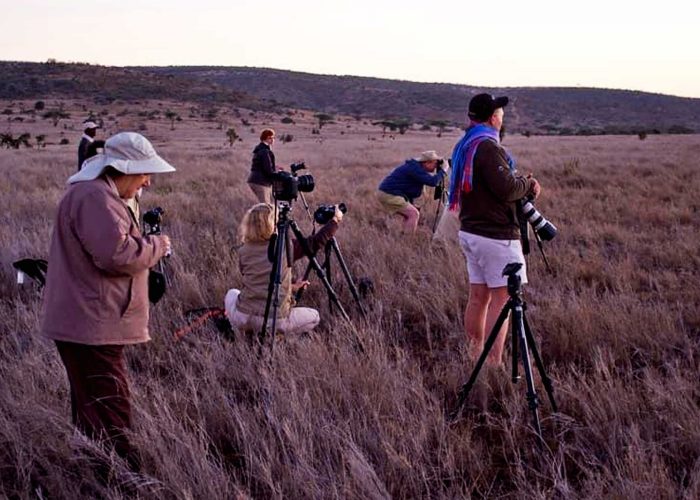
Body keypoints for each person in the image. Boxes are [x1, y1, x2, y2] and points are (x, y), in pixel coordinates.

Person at [42, 132, 175, 469]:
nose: (148, 181)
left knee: (92, 405)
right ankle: (120, 476)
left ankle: (91, 469)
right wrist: (157, 245)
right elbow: (117, 255)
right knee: (111, 407)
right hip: (91, 323)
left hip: (87, 319)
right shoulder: (94, 197)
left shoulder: (96, 193)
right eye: (145, 173)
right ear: (123, 169)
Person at [448, 93, 541, 366]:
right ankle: (493, 364)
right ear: (492, 118)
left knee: (478, 298)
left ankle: (474, 355)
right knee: (502, 301)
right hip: (495, 236)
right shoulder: (487, 147)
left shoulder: (466, 144)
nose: (503, 117)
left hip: (472, 231)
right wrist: (528, 184)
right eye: (501, 113)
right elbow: (507, 188)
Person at [224, 202, 343, 334]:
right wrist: (334, 221)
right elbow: (314, 243)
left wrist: (292, 287)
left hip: (242, 316)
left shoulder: (243, 250)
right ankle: (276, 334)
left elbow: (260, 281)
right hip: (274, 320)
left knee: (231, 293)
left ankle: (240, 329)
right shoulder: (286, 247)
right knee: (315, 317)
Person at [377, 150, 447, 232]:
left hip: (390, 193)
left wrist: (411, 204)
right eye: (435, 164)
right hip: (388, 194)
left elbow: (407, 189)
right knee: (413, 214)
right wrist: (444, 170)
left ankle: (404, 235)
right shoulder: (414, 169)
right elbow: (433, 182)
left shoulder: (416, 167)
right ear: (427, 163)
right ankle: (407, 240)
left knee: (410, 214)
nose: (436, 166)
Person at [247, 129, 277, 203]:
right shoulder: (264, 151)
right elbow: (268, 170)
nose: (273, 140)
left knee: (267, 205)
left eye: (273, 138)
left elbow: (261, 165)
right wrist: (276, 175)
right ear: (266, 138)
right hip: (260, 182)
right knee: (266, 207)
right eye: (271, 138)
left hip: (256, 180)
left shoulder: (260, 149)